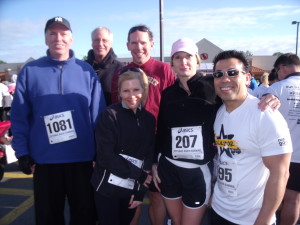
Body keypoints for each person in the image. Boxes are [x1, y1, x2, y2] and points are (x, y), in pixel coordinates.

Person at [10, 16, 106, 225]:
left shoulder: (86, 71)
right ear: (46, 39)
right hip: (44, 162)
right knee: (48, 218)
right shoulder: (30, 71)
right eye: (52, 34)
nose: (58, 38)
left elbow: (98, 114)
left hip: (82, 160)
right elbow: (19, 116)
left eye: (63, 34)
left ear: (71, 39)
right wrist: (22, 153)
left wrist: (100, 151)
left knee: (85, 216)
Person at [211, 50, 292, 225]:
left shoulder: (264, 115)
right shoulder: (219, 112)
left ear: (248, 78)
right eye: (219, 74)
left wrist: (263, 221)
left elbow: (281, 174)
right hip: (218, 210)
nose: (225, 79)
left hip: (250, 219)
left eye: (232, 73)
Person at [111, 24, 175, 225]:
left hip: (157, 142)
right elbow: (116, 110)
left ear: (152, 44)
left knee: (156, 194)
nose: (139, 47)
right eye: (134, 42)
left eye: (143, 42)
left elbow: (172, 107)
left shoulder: (164, 70)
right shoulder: (121, 72)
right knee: (132, 195)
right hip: (129, 144)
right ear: (128, 45)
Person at [152, 38, 219, 225]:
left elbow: (239, 98)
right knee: (176, 220)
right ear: (171, 63)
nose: (183, 62)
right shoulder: (168, 93)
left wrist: (269, 96)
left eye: (188, 56)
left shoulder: (213, 86)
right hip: (168, 167)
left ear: (197, 60)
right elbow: (162, 130)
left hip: (197, 171)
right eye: (178, 57)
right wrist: (154, 162)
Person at [91, 68, 155, 225]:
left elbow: (148, 155)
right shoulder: (110, 115)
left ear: (143, 90)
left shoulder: (149, 119)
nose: (131, 96)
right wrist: (140, 176)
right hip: (107, 190)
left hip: (131, 188)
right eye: (126, 91)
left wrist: (140, 191)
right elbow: (106, 156)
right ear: (119, 92)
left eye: (136, 90)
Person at [268, 53, 300, 225]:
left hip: (284, 154)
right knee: (294, 200)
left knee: (282, 199)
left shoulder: (277, 89)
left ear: (282, 68)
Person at [86, 26, 123, 105]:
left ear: (111, 43)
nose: (100, 44)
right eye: (96, 40)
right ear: (92, 43)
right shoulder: (83, 68)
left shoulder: (121, 70)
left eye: (104, 40)